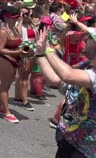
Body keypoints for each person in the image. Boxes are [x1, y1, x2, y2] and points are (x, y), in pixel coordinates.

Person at [35, 26, 96, 157]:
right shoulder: (86, 65)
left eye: (90, 38)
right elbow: (55, 79)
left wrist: (47, 49)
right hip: (69, 137)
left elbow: (67, 75)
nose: (85, 38)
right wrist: (40, 53)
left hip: (87, 148)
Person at [0, 5, 23, 123]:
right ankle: (6, 112)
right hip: (3, 59)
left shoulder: (14, 30)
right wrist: (17, 52)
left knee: (5, 85)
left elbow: (18, 44)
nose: (16, 19)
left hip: (13, 58)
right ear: (6, 18)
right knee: (5, 86)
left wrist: (20, 54)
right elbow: (0, 49)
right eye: (14, 17)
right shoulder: (3, 31)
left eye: (17, 17)